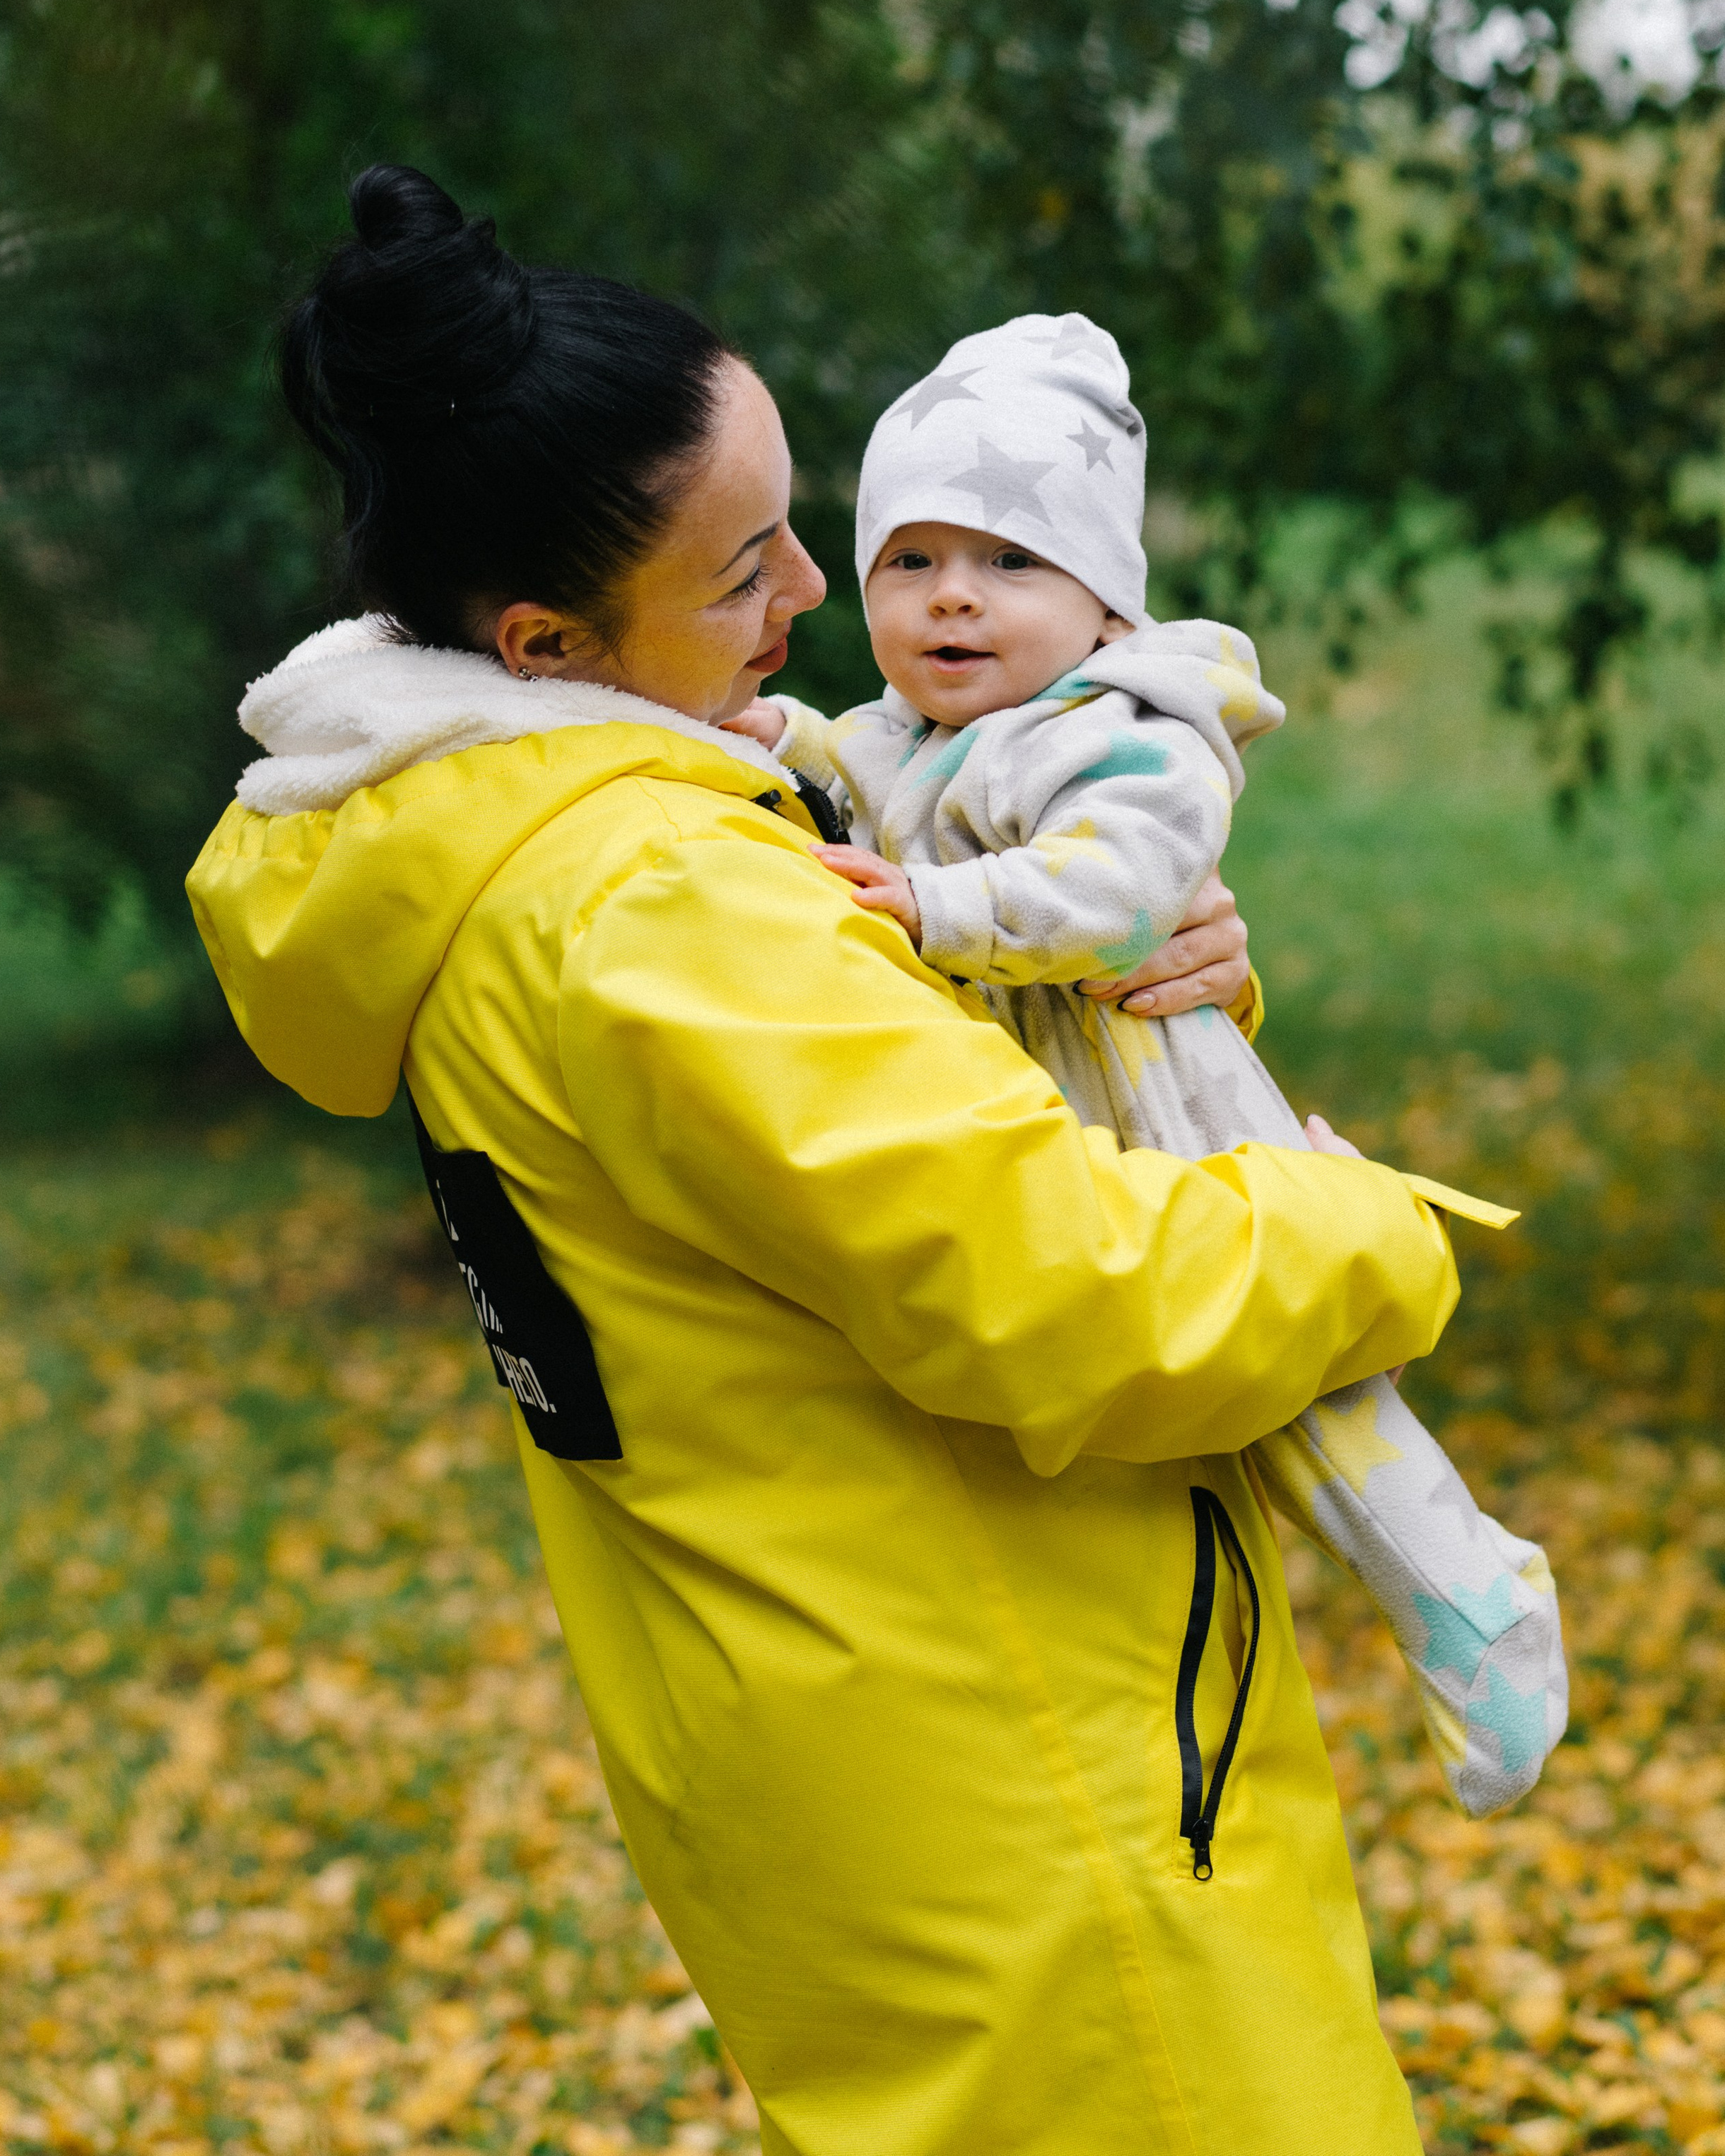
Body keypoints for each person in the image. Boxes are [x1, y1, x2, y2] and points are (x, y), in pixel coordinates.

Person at [189, 165, 1468, 2156]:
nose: (814, 593)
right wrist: (1367, 1222)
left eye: (798, 523)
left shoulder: (495, 859)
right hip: (1025, 1810)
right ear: (542, 639)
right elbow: (1071, 1295)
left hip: (838, 1759)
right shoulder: (666, 911)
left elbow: (853, 1187)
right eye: (740, 572)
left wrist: (1130, 995)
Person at [730, 310, 1567, 1824]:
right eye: (908, 562)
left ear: (1106, 605)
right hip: (1049, 1144)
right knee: (1158, 1403)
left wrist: (939, 907)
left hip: (1165, 1111)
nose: (950, 600)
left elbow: (1114, 892)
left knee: (1302, 1395)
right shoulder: (900, 734)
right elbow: (819, 765)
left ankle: (1468, 1601)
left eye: (1008, 563)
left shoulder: (1126, 728)